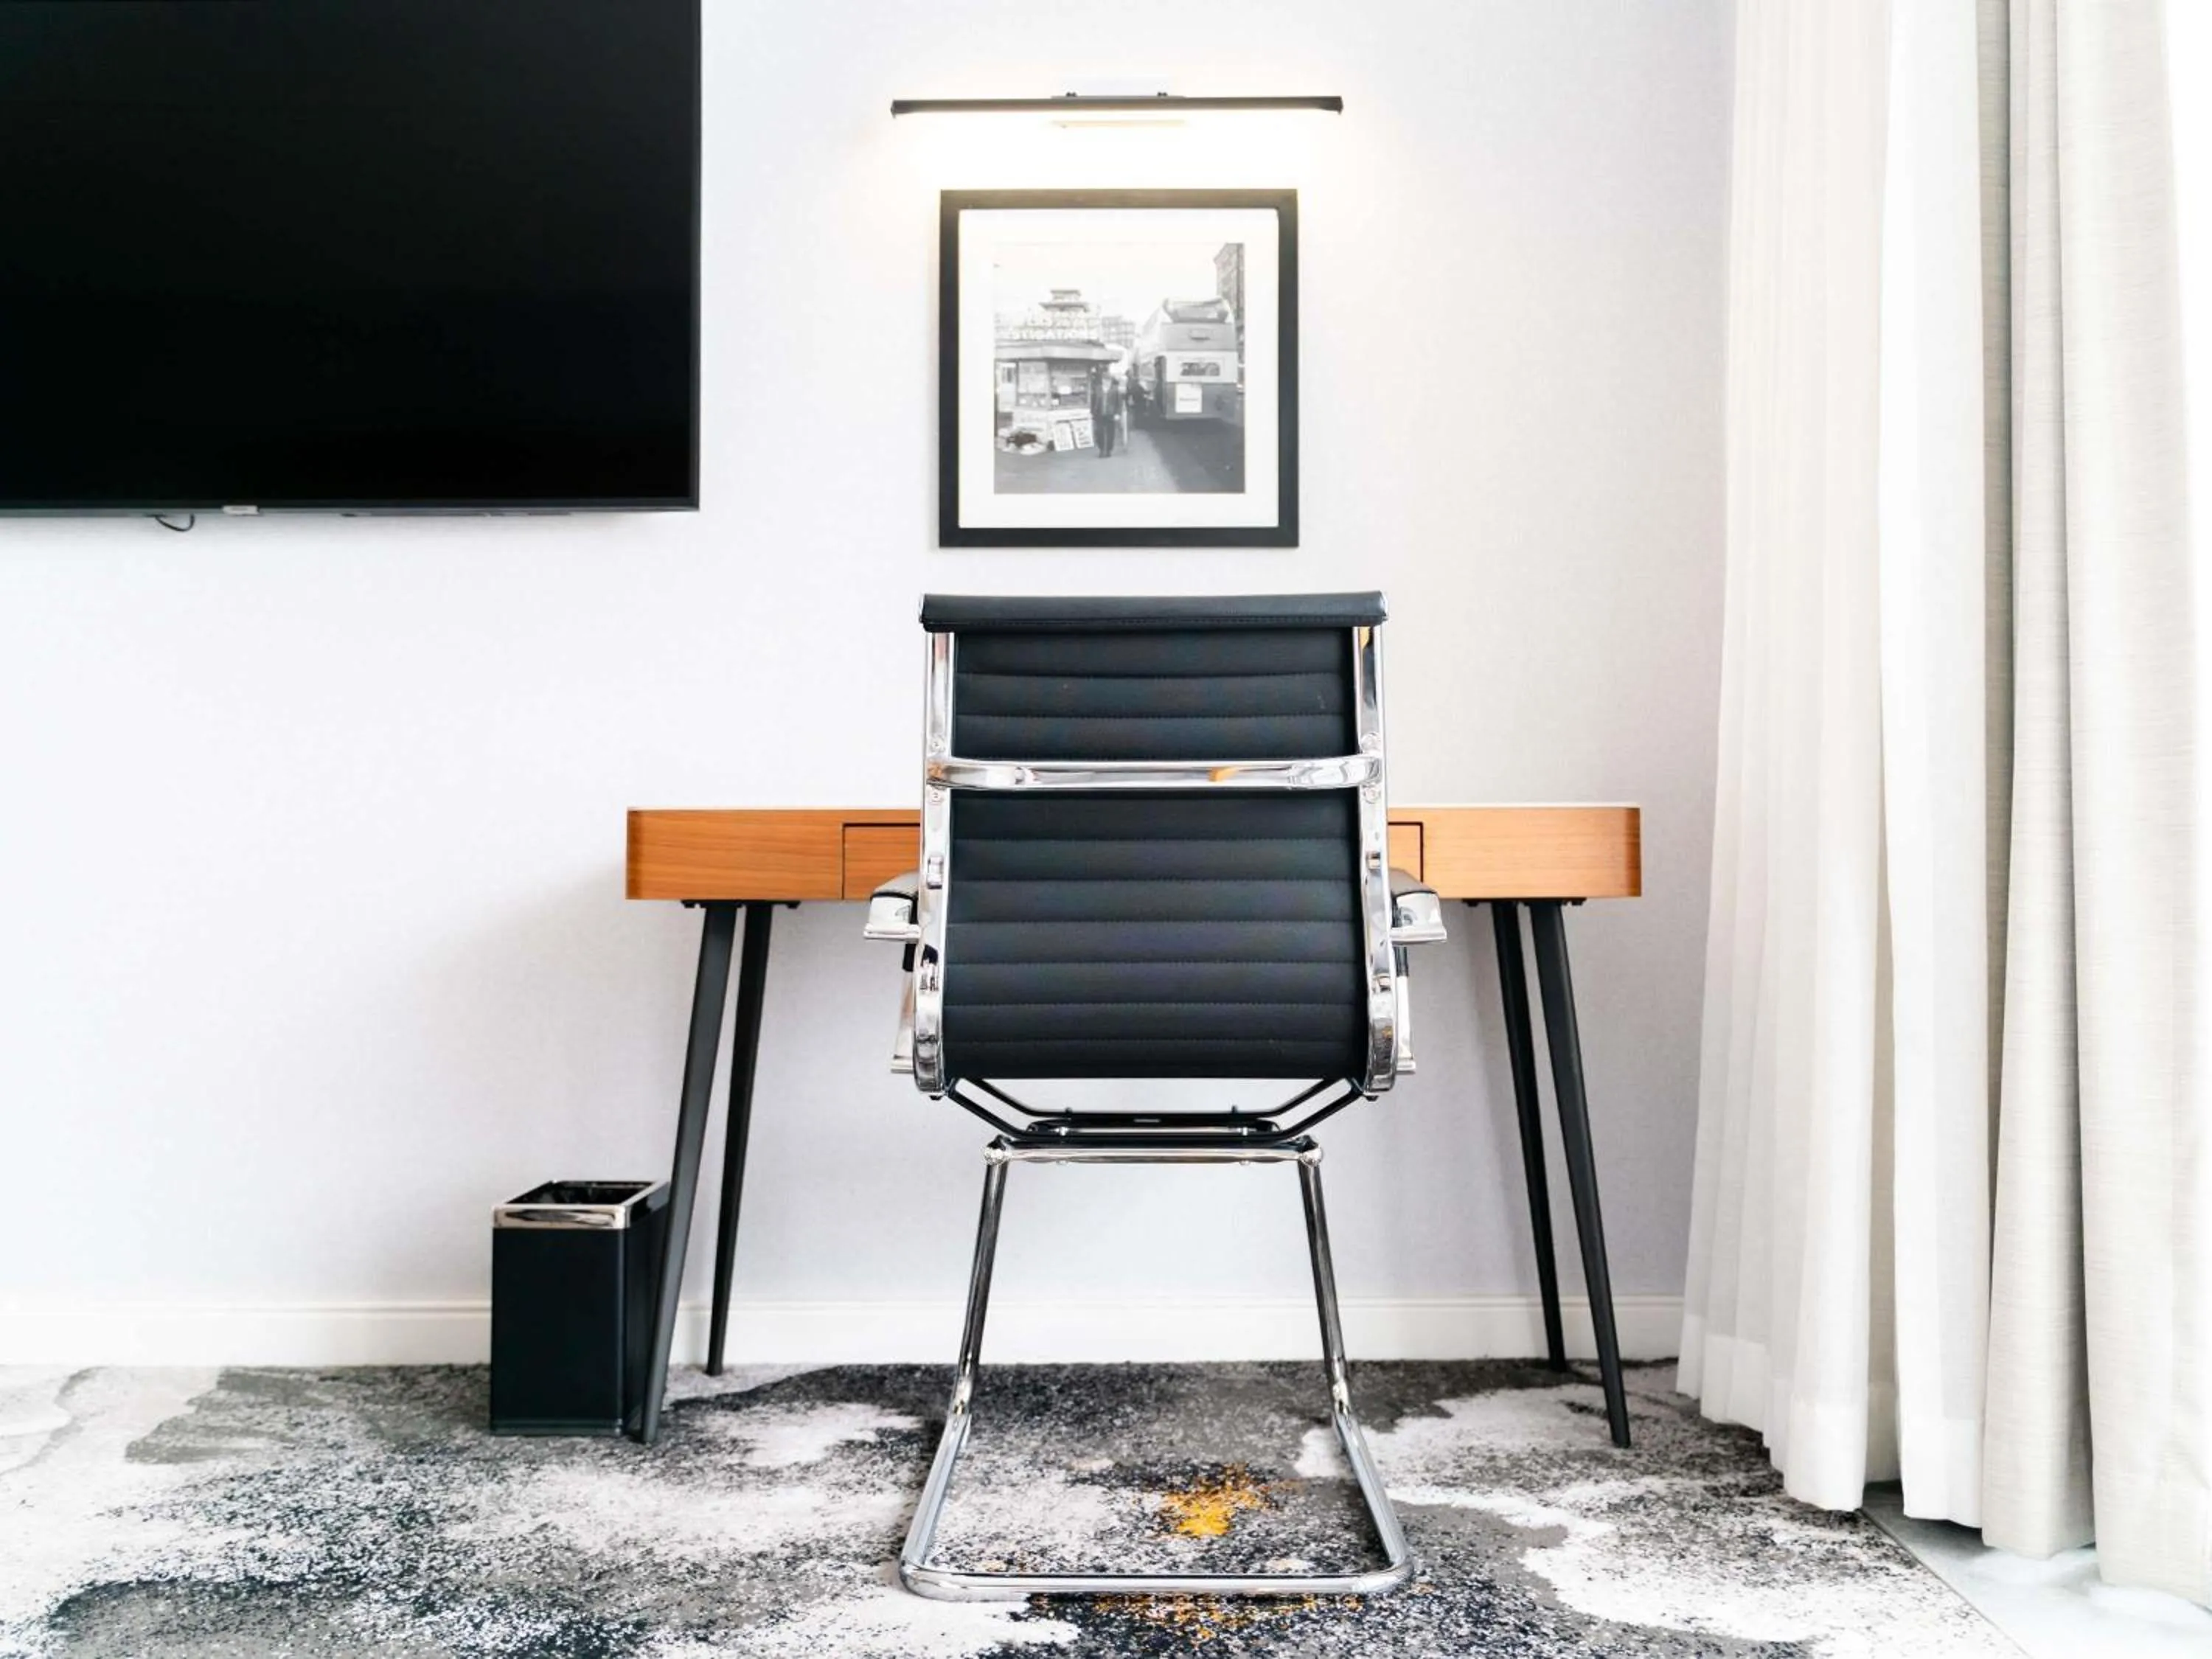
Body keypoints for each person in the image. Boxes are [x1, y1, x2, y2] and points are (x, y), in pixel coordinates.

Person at [1096, 369, 1124, 459]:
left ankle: (1108, 450)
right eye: (1105, 380)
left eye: (1108, 380)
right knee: (1099, 433)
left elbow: (1119, 403)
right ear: (1102, 380)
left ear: (1111, 381)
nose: (1106, 382)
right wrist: (1093, 412)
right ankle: (1101, 450)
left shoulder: (1115, 390)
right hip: (1099, 414)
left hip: (1111, 414)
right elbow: (1094, 401)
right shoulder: (1098, 389)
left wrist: (1118, 414)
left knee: (1110, 434)